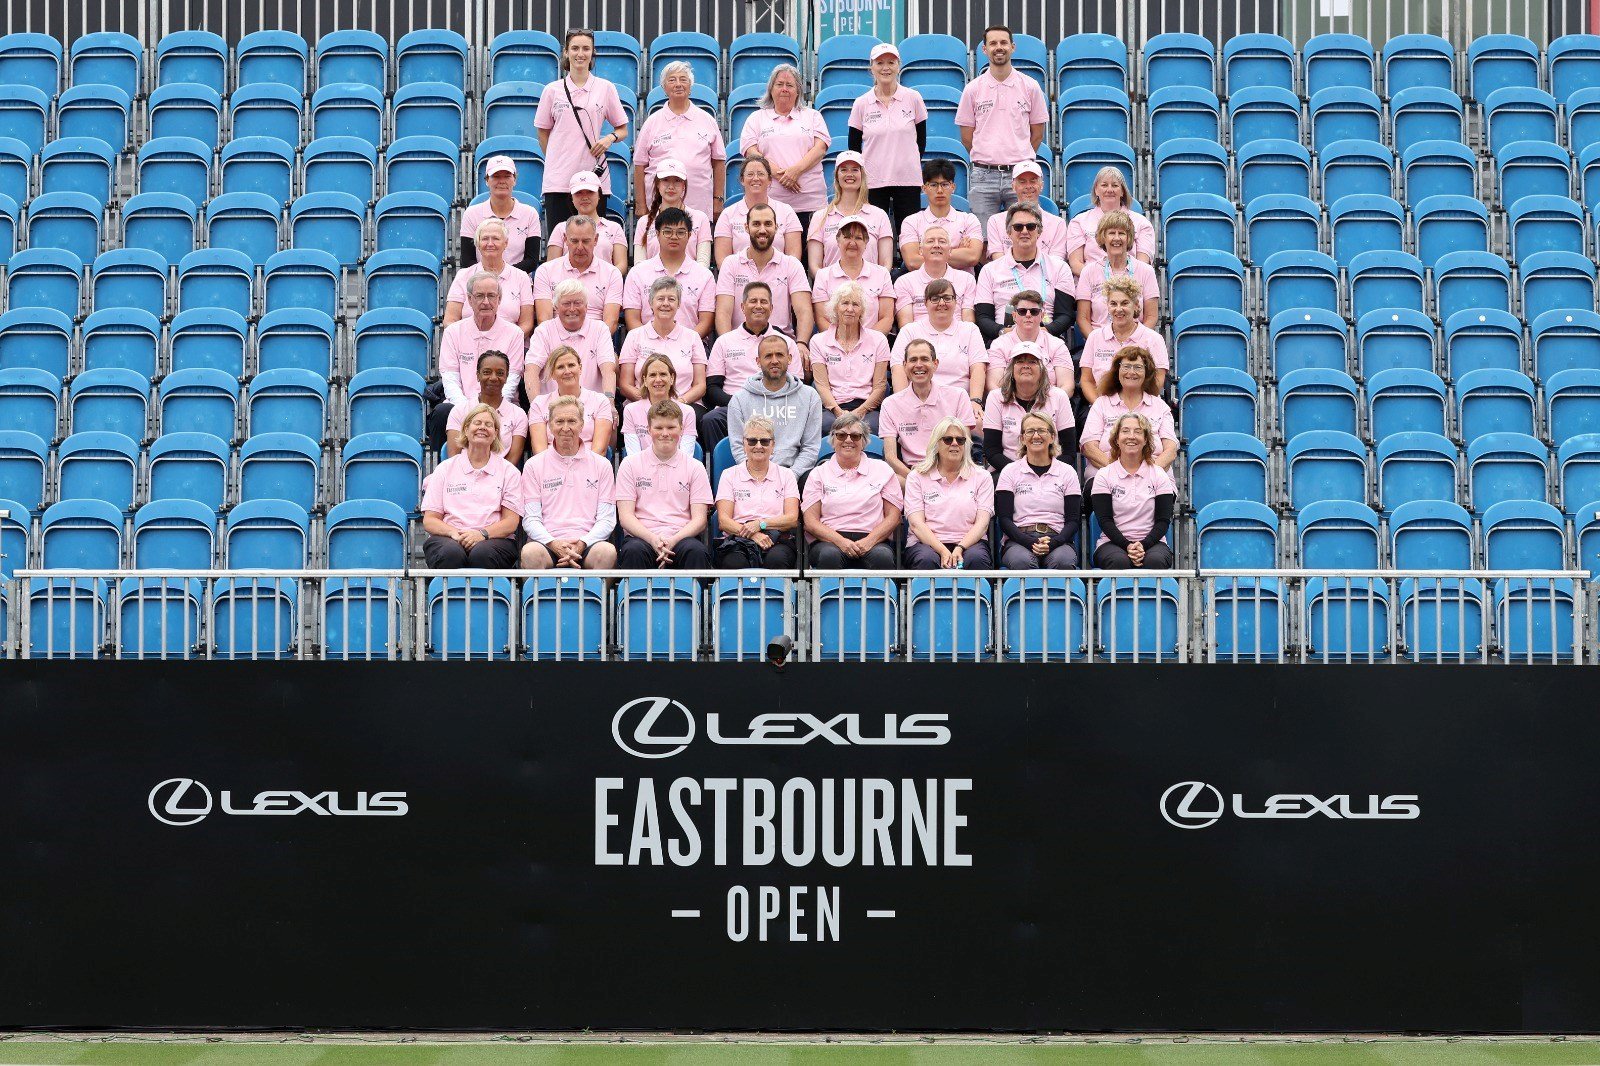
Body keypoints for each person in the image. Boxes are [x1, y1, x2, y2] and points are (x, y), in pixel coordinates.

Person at [533, 28, 629, 232]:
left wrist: (609, 138)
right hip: (558, 182)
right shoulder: (551, 90)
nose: (580, 53)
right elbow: (542, 133)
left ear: (593, 53)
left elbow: (622, 129)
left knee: (591, 241)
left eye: (586, 48)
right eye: (575, 48)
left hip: (594, 179)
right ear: (566, 52)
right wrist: (558, 158)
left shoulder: (606, 88)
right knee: (559, 241)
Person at [956, 24, 1047, 231]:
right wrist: (988, 157)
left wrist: (1018, 159)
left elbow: (1038, 134)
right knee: (984, 237)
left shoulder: (1030, 86)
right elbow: (966, 137)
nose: (999, 47)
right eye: (993, 43)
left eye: (1004, 42)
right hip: (983, 175)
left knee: (1025, 232)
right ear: (984, 49)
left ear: (1012, 47)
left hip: (1020, 175)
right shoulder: (973, 89)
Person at [519, 394, 619, 570]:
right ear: (550, 426)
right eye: (559, 422)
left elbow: (607, 519)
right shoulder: (533, 465)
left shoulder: (602, 465)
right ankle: (538, 599)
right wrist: (554, 544)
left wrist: (582, 543)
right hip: (547, 543)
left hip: (589, 543)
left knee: (608, 552)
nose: (566, 428)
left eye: (572, 421)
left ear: (582, 424)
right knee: (529, 553)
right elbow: (531, 519)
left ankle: (595, 598)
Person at [430, 272, 527, 450]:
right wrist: (468, 409)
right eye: (479, 296)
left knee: (517, 419)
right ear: (469, 299)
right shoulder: (454, 332)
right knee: (441, 413)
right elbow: (449, 377)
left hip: (501, 403)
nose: (486, 302)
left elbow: (512, 379)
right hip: (460, 403)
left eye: (491, 296)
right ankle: (441, 473)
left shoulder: (514, 334)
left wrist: (488, 411)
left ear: (499, 299)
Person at [419, 403, 523, 569]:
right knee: (451, 553)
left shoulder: (509, 471)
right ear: (466, 430)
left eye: (489, 425)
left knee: (482, 553)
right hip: (450, 537)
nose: (482, 427)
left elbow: (511, 522)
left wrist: (482, 534)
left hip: (493, 540)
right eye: (477, 423)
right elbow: (430, 520)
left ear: (495, 434)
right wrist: (454, 533)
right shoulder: (444, 469)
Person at [614, 399, 714, 569]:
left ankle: (694, 596)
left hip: (682, 537)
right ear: (649, 430)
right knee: (633, 551)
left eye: (671, 427)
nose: (665, 433)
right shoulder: (630, 464)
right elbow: (625, 517)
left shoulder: (695, 467)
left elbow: (700, 519)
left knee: (696, 552)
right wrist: (653, 539)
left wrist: (673, 540)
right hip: (642, 537)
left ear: (681, 429)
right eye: (658, 428)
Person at [703, 281, 804, 447]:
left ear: (771, 308)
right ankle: (723, 470)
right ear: (742, 307)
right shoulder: (724, 341)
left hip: (776, 407)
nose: (758, 306)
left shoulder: (786, 343)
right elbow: (712, 389)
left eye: (763, 302)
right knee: (711, 420)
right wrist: (741, 404)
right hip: (734, 405)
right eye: (753, 301)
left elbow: (796, 385)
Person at [802, 413, 904, 569]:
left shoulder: (883, 470)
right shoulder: (818, 473)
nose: (848, 440)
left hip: (873, 540)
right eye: (841, 435)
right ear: (833, 440)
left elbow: (894, 516)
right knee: (830, 556)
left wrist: (869, 541)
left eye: (855, 436)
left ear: (863, 442)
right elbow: (810, 522)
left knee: (882, 557)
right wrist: (841, 542)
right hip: (829, 541)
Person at [739, 64, 831, 235]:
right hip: (771, 204)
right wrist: (781, 175)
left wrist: (796, 171)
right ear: (771, 89)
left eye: (790, 85)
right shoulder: (756, 118)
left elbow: (820, 148)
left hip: (810, 202)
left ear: (798, 91)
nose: (784, 89)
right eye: (779, 84)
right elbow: (751, 152)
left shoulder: (813, 116)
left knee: (808, 256)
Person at [848, 42, 928, 236]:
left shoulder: (913, 97)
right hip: (873, 180)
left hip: (907, 179)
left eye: (891, 62)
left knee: (909, 233)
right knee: (874, 234)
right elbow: (854, 146)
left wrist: (905, 162)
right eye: (880, 63)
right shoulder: (861, 103)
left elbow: (921, 142)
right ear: (871, 68)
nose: (886, 68)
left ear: (898, 65)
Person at [632, 61, 727, 223]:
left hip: (698, 204)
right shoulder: (652, 122)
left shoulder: (707, 120)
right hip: (659, 204)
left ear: (690, 86)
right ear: (664, 88)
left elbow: (719, 162)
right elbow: (640, 165)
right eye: (672, 80)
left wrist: (718, 199)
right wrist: (640, 204)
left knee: (698, 246)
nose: (678, 84)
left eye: (683, 80)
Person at [974, 203, 1074, 345]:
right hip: (1003, 341)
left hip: (1047, 341)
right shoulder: (989, 270)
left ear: (1039, 231)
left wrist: (1045, 332)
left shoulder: (1059, 268)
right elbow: (983, 317)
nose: (1025, 231)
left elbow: (1065, 315)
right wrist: (1003, 332)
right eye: (1018, 227)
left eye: (1031, 226)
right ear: (1009, 232)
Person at [714, 202, 812, 345]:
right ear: (746, 228)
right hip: (739, 344)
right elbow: (723, 312)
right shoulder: (731, 264)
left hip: (781, 345)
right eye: (756, 224)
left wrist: (802, 344)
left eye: (767, 224)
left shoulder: (791, 264)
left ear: (776, 227)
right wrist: (728, 348)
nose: (762, 230)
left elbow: (804, 311)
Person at [880, 338, 978, 480]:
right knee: (891, 482)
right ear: (904, 365)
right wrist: (916, 480)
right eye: (913, 360)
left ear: (935, 364)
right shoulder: (890, 404)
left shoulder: (958, 396)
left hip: (950, 470)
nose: (918, 365)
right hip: (912, 473)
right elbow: (890, 457)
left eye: (924, 359)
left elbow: (964, 446)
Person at [995, 411, 1082, 570]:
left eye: (1042, 431)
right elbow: (1005, 519)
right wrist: (1029, 542)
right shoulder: (1010, 471)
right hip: (1019, 540)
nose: (1036, 436)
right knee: (1023, 562)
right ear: (1022, 439)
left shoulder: (1068, 472)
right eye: (1030, 431)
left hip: (1057, 539)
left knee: (1063, 562)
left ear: (1052, 437)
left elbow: (1073, 520)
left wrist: (1054, 542)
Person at [726, 334, 823, 475]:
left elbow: (811, 448)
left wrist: (791, 476)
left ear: (789, 358)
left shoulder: (809, 396)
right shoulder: (739, 399)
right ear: (758, 361)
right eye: (768, 356)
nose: (774, 361)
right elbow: (738, 448)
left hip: (793, 473)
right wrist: (758, 475)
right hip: (753, 473)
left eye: (779, 355)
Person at [905, 418, 995, 570]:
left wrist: (960, 548)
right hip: (926, 543)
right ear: (936, 444)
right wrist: (942, 550)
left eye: (960, 440)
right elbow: (916, 524)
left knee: (976, 559)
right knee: (926, 559)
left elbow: (982, 523)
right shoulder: (917, 477)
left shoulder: (982, 476)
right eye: (948, 439)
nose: (955, 443)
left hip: (969, 544)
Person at [1090, 413, 1177, 570]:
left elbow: (1163, 521)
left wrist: (1143, 545)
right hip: (1112, 543)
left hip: (1153, 543)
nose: (1131, 436)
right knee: (1119, 562)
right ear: (1116, 439)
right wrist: (1127, 546)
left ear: (1146, 440)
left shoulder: (1159, 474)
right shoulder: (1104, 474)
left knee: (1155, 561)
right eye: (1125, 431)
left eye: (1138, 431)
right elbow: (1105, 520)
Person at [715, 414, 802, 569]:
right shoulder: (729, 475)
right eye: (752, 441)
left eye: (765, 441)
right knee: (734, 563)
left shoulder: (786, 475)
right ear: (744, 444)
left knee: (777, 560)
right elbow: (724, 521)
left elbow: (792, 518)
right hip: (739, 539)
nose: (758, 446)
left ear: (773, 445)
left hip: (778, 540)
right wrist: (753, 534)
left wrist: (760, 524)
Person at [890, 279, 987, 413]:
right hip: (919, 402)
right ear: (925, 303)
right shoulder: (909, 331)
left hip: (960, 404)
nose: (942, 303)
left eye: (947, 298)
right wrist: (903, 404)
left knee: (979, 424)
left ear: (955, 302)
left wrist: (975, 401)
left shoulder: (970, 330)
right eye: (935, 299)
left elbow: (978, 368)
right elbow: (898, 369)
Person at [1080, 345, 1178, 474]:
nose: (1131, 372)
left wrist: (1147, 473)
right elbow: (1089, 447)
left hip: (1153, 476)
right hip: (1106, 473)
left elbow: (1171, 450)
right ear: (1117, 371)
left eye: (1138, 367)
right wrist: (1119, 471)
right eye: (1126, 367)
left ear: (1147, 373)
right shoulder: (1101, 404)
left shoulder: (1160, 406)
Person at [622, 206, 716, 338]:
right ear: (657, 234)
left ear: (689, 236)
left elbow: (706, 322)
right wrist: (651, 343)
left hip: (688, 349)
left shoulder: (704, 276)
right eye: (667, 232)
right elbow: (632, 319)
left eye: (680, 232)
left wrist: (680, 344)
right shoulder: (638, 273)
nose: (674, 237)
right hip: (647, 350)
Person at [982, 344, 1076, 475]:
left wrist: (1044, 473)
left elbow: (1069, 452)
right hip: (1007, 471)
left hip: (1052, 473)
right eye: (1019, 361)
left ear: (1042, 370)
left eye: (1032, 362)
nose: (1026, 365)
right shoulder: (996, 397)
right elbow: (992, 451)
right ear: (1012, 369)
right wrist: (1022, 473)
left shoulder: (1059, 397)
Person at [811, 281, 891, 435]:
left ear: (862, 310)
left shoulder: (879, 340)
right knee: (822, 425)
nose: (850, 309)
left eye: (855, 304)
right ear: (835, 307)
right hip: (832, 407)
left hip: (867, 408)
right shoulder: (818, 341)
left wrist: (858, 413)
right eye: (845, 303)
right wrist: (838, 412)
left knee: (877, 427)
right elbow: (821, 385)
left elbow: (880, 386)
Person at [617, 276, 707, 406]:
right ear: (650, 303)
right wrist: (651, 403)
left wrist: (677, 403)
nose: (666, 303)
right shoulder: (634, 336)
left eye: (671, 299)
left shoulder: (693, 337)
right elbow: (625, 385)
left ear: (679, 304)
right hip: (642, 404)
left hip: (684, 405)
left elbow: (700, 385)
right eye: (660, 299)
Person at [1079, 275, 1169, 403]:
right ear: (1107, 306)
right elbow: (1086, 380)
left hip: (1142, 409)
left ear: (1136, 305)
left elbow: (1158, 381)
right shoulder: (1095, 337)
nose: (1119, 309)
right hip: (1102, 407)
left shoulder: (1154, 339)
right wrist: (1101, 407)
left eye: (1125, 303)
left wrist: (1134, 408)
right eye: (1113, 303)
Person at [443, 219, 536, 337]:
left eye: (496, 238)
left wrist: (505, 343)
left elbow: (526, 324)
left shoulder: (521, 277)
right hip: (468, 345)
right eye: (485, 239)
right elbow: (450, 320)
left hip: (508, 347)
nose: (490, 243)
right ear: (478, 244)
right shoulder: (463, 276)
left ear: (505, 243)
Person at [1074, 210, 1160, 335]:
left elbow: (1151, 317)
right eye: (1111, 233)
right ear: (1103, 237)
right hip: (1100, 345)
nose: (1116, 238)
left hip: (1135, 346)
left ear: (1129, 238)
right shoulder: (1089, 271)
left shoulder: (1146, 271)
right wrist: (1098, 343)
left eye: (1122, 233)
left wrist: (1135, 342)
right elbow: (1083, 318)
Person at [532, 215, 624, 331]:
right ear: (565, 239)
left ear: (595, 239)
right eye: (574, 241)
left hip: (596, 343)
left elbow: (611, 321)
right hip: (556, 344)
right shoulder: (545, 271)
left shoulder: (612, 273)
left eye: (585, 241)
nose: (580, 247)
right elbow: (544, 319)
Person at [805, 152, 894, 271]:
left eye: (855, 170)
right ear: (837, 176)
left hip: (871, 288)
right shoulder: (820, 217)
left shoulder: (880, 215)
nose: (849, 174)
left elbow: (886, 264)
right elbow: (814, 266)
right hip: (832, 288)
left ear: (862, 175)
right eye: (844, 170)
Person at [528, 278, 617, 396]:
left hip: (592, 408)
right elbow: (531, 371)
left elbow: (608, 371)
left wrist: (609, 401)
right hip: (552, 408)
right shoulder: (543, 331)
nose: (572, 309)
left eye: (577, 303)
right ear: (556, 307)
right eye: (566, 303)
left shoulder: (600, 329)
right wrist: (536, 407)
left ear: (586, 306)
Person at [1066, 165, 1156, 276]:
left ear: (1122, 191)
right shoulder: (1079, 222)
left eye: (1115, 185)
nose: (1109, 190)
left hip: (1130, 285)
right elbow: (1075, 264)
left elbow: (1143, 264)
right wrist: (1102, 281)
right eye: (1104, 185)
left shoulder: (1142, 223)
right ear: (1096, 190)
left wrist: (1120, 285)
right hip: (1093, 286)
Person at [713, 156, 805, 264]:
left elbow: (793, 259)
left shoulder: (786, 211)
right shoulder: (727, 214)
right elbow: (722, 261)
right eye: (750, 174)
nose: (755, 178)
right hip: (740, 279)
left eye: (761, 174)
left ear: (770, 180)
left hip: (778, 278)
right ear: (742, 180)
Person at [811, 216, 894, 333]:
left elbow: (887, 318)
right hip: (834, 346)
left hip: (872, 347)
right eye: (847, 237)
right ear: (838, 241)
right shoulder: (823, 276)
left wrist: (866, 342)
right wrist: (843, 342)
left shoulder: (882, 274)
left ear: (866, 243)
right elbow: (821, 319)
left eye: (858, 238)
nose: (852, 242)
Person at [445, 350, 529, 466]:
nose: (493, 378)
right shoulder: (459, 411)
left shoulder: (518, 414)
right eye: (487, 372)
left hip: (501, 479)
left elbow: (512, 460)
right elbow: (454, 455)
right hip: (463, 477)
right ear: (478, 375)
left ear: (507, 376)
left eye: (500, 373)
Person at [899, 159, 984, 271]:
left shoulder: (969, 220)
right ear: (924, 188)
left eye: (945, 184)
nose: (939, 190)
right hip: (922, 286)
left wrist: (926, 252)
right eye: (933, 185)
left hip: (961, 285)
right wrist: (957, 251)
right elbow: (912, 262)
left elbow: (972, 257)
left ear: (953, 187)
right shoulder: (911, 222)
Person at [527, 345, 613, 455]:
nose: (567, 371)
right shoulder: (538, 404)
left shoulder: (600, 401)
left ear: (580, 368)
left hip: (589, 467)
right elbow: (539, 451)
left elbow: (599, 450)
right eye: (560, 367)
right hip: (550, 468)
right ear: (552, 373)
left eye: (571, 365)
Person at [460, 155, 541, 270]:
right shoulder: (471, 213)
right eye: (496, 176)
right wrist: (489, 278)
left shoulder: (530, 214)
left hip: (518, 282)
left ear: (514, 180)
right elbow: (467, 260)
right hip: (481, 282)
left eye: (507, 176)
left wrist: (506, 276)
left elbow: (532, 261)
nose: (502, 181)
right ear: (487, 180)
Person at [986, 289, 1073, 391]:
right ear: (1014, 316)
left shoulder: (1057, 345)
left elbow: (1067, 386)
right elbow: (993, 386)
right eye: (1022, 311)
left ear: (1042, 316)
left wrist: (1047, 404)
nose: (1028, 315)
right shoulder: (999, 345)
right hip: (1008, 403)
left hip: (1050, 403)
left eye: (1034, 311)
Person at [631, 160, 713, 266]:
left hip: (691, 280)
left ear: (684, 186)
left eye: (677, 181)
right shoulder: (644, 222)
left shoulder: (700, 218)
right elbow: (639, 265)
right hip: (653, 282)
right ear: (657, 184)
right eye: (665, 180)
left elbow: (703, 263)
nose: (671, 186)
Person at [546, 171, 629, 272]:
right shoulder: (560, 228)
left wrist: (604, 279)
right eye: (578, 193)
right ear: (572, 198)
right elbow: (551, 267)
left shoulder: (614, 228)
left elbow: (621, 265)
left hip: (603, 285)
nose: (585, 197)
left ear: (599, 195)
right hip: (568, 286)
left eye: (590, 192)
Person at [895, 225, 978, 325]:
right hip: (919, 339)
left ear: (950, 251)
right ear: (920, 250)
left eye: (942, 241)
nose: (936, 245)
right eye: (930, 241)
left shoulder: (967, 279)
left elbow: (968, 323)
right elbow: (906, 326)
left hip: (957, 338)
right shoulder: (904, 282)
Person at [983, 161, 1066, 260]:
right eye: (1022, 182)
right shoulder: (995, 221)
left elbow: (1056, 264)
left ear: (1041, 185)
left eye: (1033, 181)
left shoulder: (1058, 224)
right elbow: (998, 261)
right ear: (1013, 186)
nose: (1028, 186)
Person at [621, 352, 697, 456]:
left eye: (663, 374)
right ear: (645, 380)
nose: (658, 380)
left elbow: (686, 457)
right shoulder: (631, 410)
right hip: (642, 471)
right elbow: (634, 456)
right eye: (652, 375)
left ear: (672, 378)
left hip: (678, 470)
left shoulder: (688, 412)